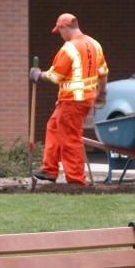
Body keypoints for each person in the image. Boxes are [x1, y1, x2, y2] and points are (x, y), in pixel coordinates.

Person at [30, 13, 109, 186]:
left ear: (65, 28)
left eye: (59, 31)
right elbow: (103, 73)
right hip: (84, 99)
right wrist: (101, 94)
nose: (60, 35)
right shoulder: (94, 44)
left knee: (70, 139)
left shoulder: (69, 48)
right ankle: (49, 169)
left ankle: (76, 181)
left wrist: (38, 74)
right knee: (53, 126)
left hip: (72, 101)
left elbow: (55, 76)